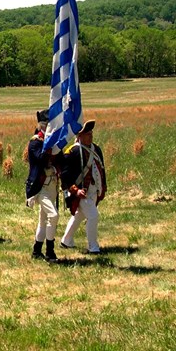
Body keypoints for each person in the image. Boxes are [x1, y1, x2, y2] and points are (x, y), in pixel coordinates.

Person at [60, 120, 107, 254]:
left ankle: (66, 241)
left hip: (93, 191)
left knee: (79, 216)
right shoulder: (72, 151)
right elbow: (65, 175)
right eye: (87, 134)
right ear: (79, 136)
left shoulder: (96, 149)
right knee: (93, 216)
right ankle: (93, 247)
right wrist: (75, 190)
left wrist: (103, 187)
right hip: (81, 192)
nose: (90, 136)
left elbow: (101, 169)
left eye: (91, 133)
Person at [25, 110, 60, 261]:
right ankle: (50, 251)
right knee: (54, 215)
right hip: (40, 187)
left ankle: (36, 250)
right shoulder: (35, 142)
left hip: (52, 185)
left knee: (43, 219)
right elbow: (40, 159)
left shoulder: (50, 142)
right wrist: (49, 145)